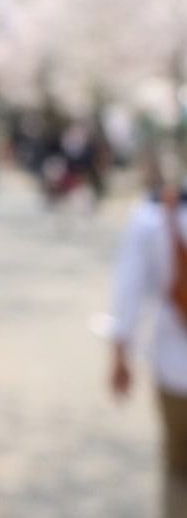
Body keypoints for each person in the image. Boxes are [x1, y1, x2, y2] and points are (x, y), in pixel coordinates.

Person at [109, 159, 187, 516]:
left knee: (178, 468)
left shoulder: (152, 216)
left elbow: (128, 293)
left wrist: (119, 357)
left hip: (175, 365)